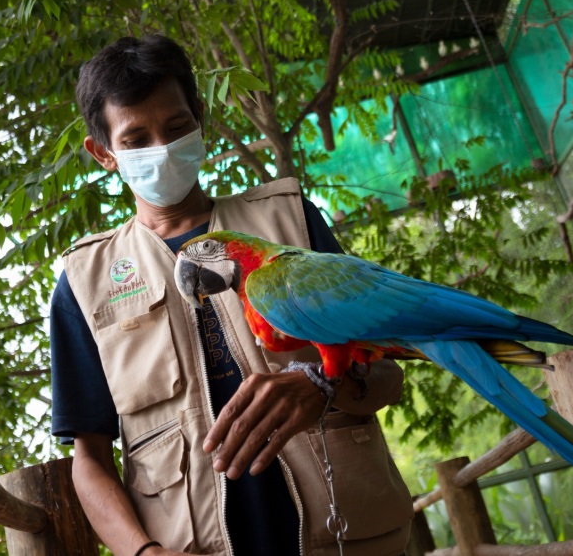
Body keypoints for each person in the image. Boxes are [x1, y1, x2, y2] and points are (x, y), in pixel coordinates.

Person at [50, 34, 413, 556]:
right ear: (103, 153)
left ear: (200, 118)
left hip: (349, 538)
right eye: (135, 140)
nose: (161, 149)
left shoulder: (292, 223)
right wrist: (142, 552)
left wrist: (322, 387)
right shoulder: (85, 284)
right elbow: (89, 457)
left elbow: (389, 373)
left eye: (176, 128)